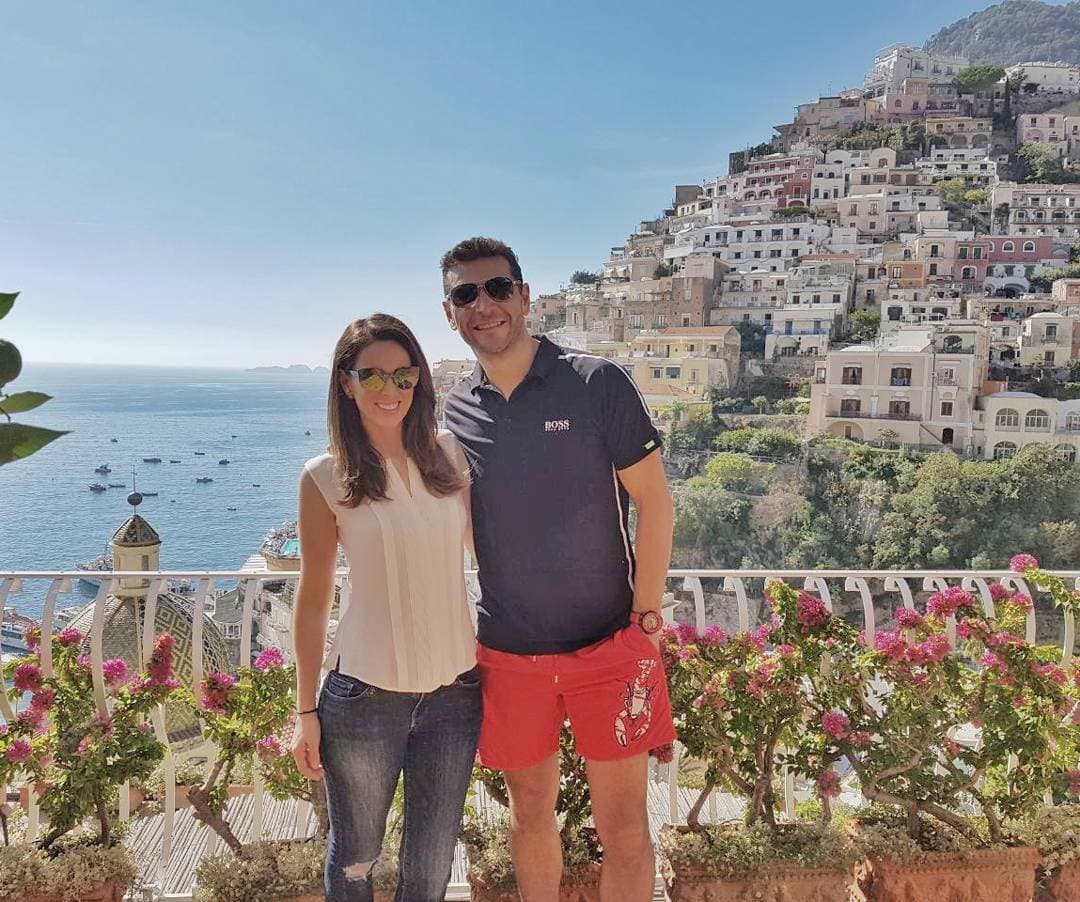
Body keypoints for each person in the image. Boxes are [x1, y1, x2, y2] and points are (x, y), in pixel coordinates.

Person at [441, 237, 675, 902]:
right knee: (528, 818)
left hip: (610, 647)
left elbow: (653, 502)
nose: (483, 305)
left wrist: (646, 619)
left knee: (625, 826)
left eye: (496, 289)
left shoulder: (596, 381)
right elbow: (460, 523)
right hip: (511, 654)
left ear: (524, 298)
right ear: (449, 311)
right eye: (466, 294)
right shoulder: (455, 411)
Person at [290, 313, 481, 902]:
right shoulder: (326, 478)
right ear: (345, 383)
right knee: (355, 860)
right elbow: (314, 593)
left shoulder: (450, 458)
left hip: (455, 693)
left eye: (403, 375)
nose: (389, 390)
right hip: (363, 696)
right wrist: (303, 711)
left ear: (420, 380)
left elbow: (491, 555)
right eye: (371, 376)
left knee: (429, 870)